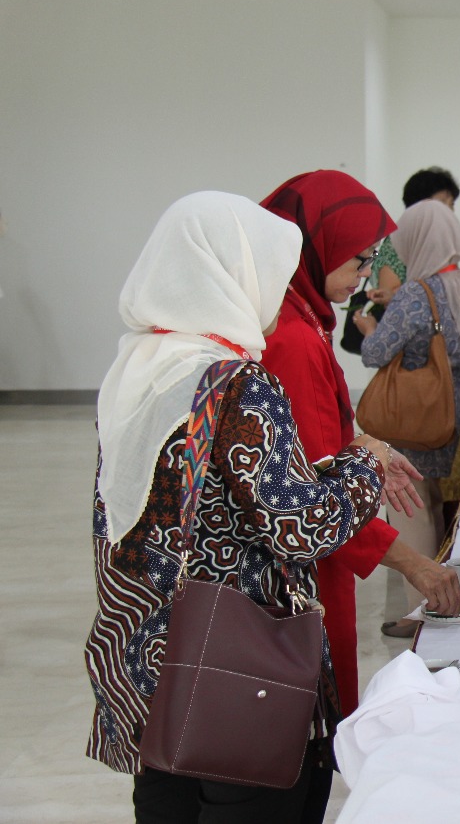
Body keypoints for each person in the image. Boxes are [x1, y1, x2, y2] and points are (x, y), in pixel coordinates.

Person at [85, 191, 415, 821]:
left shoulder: (140, 366)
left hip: (154, 652)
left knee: (167, 796)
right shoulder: (238, 381)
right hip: (236, 663)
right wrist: (364, 463)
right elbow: (301, 526)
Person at [260, 170, 460, 718]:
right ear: (315, 247)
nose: (367, 274)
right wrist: (413, 564)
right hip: (304, 567)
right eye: (359, 260)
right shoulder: (292, 338)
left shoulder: (303, 316)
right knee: (308, 711)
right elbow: (307, 493)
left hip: (315, 547)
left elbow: (317, 437)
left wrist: (361, 444)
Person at [353, 199, 460, 637]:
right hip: (448, 409)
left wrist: (370, 329)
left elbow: (375, 353)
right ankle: (441, 600)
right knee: (429, 505)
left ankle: (422, 611)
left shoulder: (414, 293)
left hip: (414, 415)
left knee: (411, 507)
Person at [368, 166, 460, 306]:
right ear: (417, 205)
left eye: (451, 204)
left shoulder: (440, 242)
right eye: (442, 203)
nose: (449, 210)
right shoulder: (398, 242)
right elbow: (387, 298)